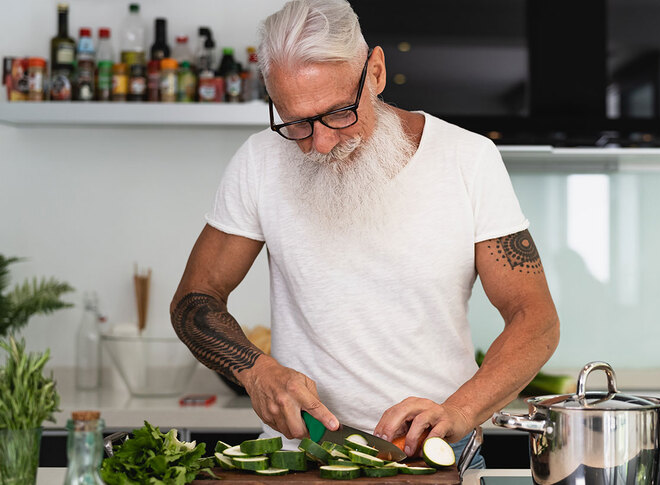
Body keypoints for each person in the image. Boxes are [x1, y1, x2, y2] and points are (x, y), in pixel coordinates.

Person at [170, 0, 559, 466]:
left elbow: (534, 319)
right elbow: (195, 297)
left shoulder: (467, 159)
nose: (320, 143)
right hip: (306, 457)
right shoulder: (259, 161)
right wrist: (256, 372)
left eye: (338, 113)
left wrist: (459, 411)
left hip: (437, 457)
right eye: (295, 121)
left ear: (375, 72)